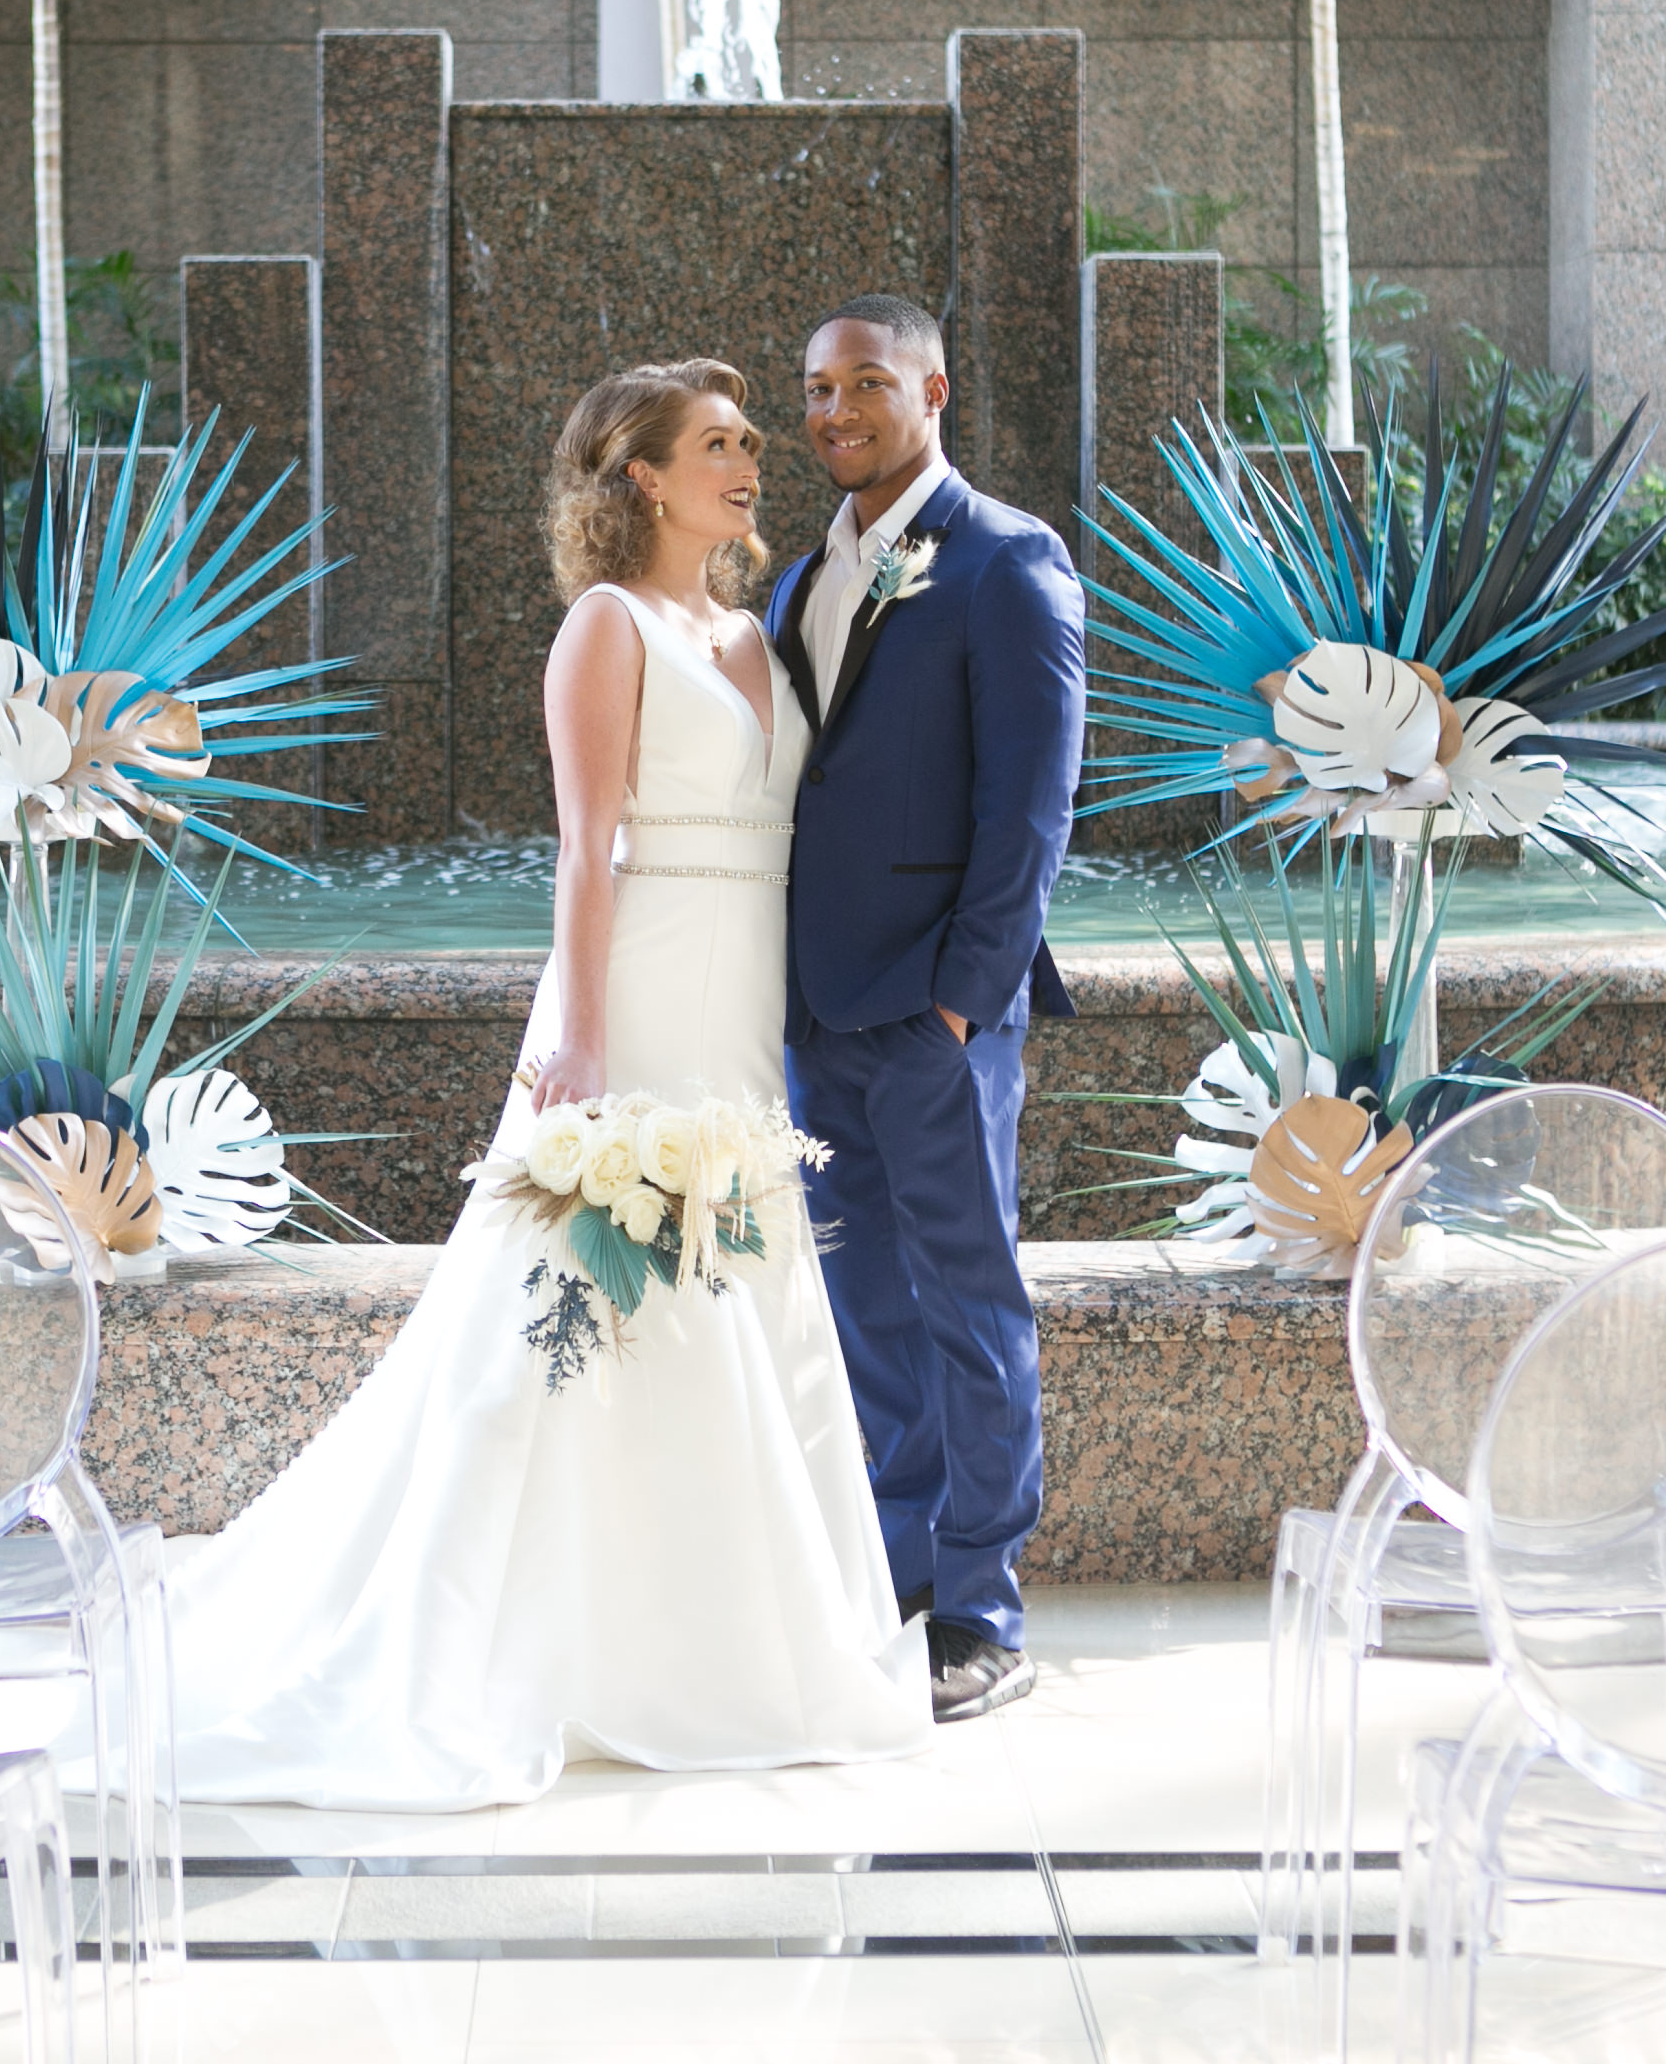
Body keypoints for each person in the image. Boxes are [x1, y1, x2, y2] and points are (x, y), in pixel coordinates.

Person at [149, 358, 928, 1810]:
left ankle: (718, 1641)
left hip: (746, 1012)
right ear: (639, 473)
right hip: (633, 999)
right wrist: (575, 1035)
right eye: (715, 443)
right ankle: (502, 1646)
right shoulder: (607, 623)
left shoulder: (757, 634)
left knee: (738, 1292)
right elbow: (583, 847)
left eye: (751, 440)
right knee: (569, 1314)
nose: (749, 461)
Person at [770, 295, 1087, 1722]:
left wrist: (965, 1005)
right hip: (817, 1017)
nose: (834, 409)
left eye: (864, 383)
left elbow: (1028, 815)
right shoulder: (795, 583)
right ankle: (899, 1566)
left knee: (968, 1300)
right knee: (862, 1303)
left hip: (934, 1015)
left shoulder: (1009, 563)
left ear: (934, 388)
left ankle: (980, 1603)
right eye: (817, 390)